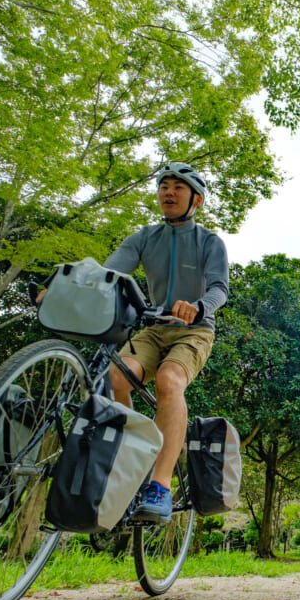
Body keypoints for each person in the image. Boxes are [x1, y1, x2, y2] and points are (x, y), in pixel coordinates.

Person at [103, 162, 229, 522]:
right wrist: (70, 283)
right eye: (163, 187)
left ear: (197, 200)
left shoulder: (209, 242)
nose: (168, 193)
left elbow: (220, 288)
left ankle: (159, 484)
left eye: (178, 187)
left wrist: (199, 307)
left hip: (195, 330)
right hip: (153, 329)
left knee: (168, 381)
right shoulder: (145, 238)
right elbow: (110, 274)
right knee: (116, 377)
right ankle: (129, 453)